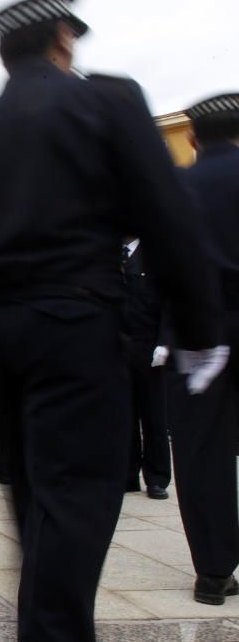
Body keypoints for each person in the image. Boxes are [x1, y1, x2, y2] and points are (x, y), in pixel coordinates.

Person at [0, 0, 226, 641]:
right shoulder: (105, 101)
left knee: (36, 498)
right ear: (62, 38)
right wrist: (198, 330)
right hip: (73, 328)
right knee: (78, 496)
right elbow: (167, 218)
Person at [169, 92, 239, 605]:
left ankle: (213, 572)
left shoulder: (175, 190)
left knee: (201, 453)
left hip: (197, 334)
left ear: (192, 137)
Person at [121, 238, 171, 499]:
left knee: (153, 416)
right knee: (124, 416)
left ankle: (157, 476)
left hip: (147, 345)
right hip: (118, 348)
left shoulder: (154, 255)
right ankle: (128, 474)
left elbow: (168, 303)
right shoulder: (111, 257)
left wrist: (165, 342)